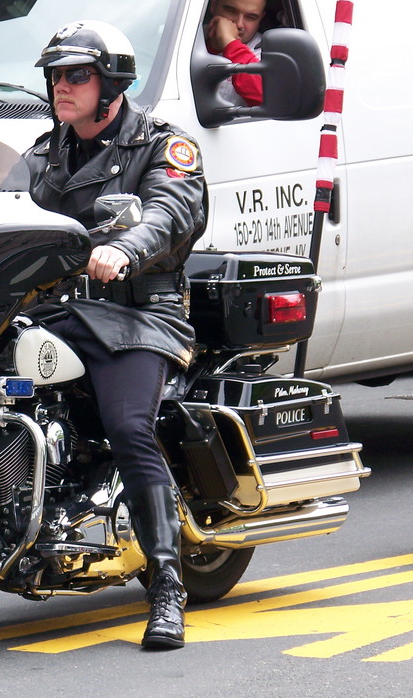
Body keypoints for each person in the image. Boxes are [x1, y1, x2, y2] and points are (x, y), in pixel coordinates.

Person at [23, 20, 208, 649]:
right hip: (58, 313)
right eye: (55, 76)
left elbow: (171, 212)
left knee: (130, 425)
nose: (62, 86)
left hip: (138, 315)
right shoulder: (44, 155)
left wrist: (126, 248)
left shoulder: (161, 145)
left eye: (77, 75)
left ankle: (166, 587)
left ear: (112, 85)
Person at [205, 0, 266, 106]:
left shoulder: (268, 51)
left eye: (250, 17)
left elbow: (269, 100)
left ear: (261, 18)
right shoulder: (187, 37)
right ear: (213, 5)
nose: (239, 24)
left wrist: (230, 43)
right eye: (231, 11)